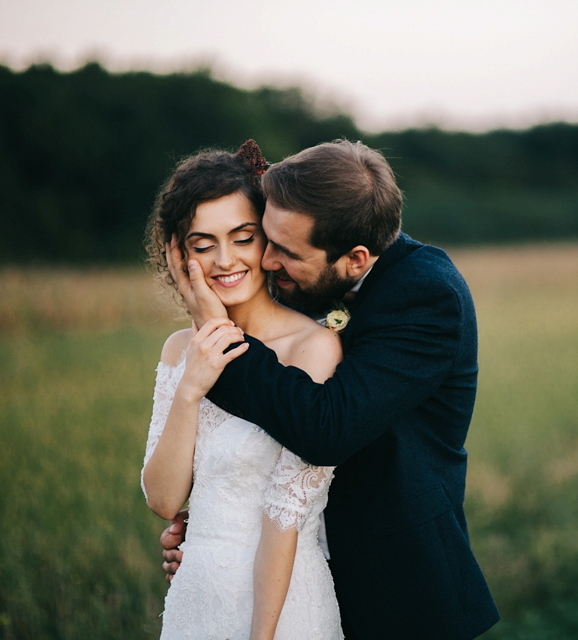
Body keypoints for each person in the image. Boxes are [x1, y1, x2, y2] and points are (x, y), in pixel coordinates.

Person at [163, 139, 500, 639]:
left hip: (396, 589)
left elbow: (326, 428)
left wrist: (218, 334)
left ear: (356, 259)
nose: (268, 263)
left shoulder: (427, 297)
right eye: (266, 239)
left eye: (284, 251)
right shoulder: (306, 276)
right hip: (300, 567)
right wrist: (219, 522)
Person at [142, 140, 345, 639]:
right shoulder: (177, 350)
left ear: (268, 242)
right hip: (197, 597)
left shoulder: (312, 347)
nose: (225, 260)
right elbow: (165, 500)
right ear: (178, 254)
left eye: (242, 237)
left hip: (282, 604)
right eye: (203, 244)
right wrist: (190, 386)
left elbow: (287, 513)